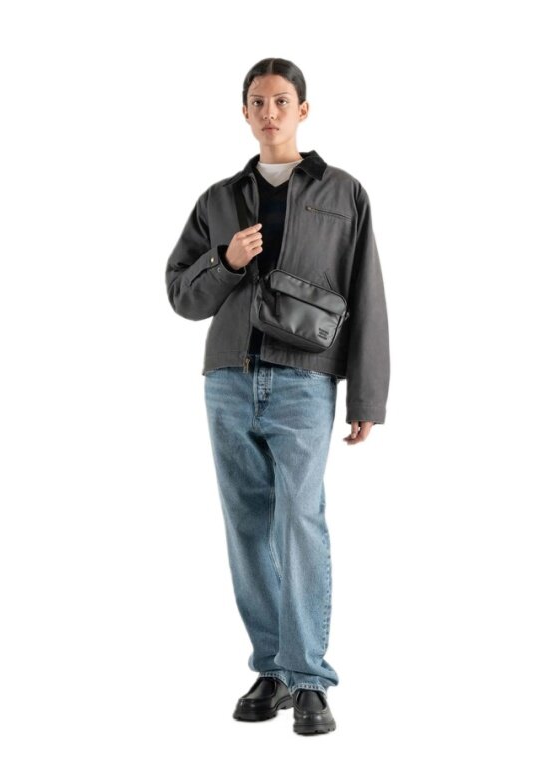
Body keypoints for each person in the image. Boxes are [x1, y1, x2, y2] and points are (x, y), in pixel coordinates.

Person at [164, 57, 390, 735]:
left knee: (301, 522)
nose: (270, 113)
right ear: (245, 113)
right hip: (228, 380)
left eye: (282, 101)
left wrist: (367, 396)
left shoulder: (342, 193)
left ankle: (309, 675)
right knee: (247, 527)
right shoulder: (217, 199)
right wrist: (225, 261)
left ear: (303, 110)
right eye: (258, 102)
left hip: (304, 380)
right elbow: (181, 295)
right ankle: (272, 667)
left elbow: (366, 294)